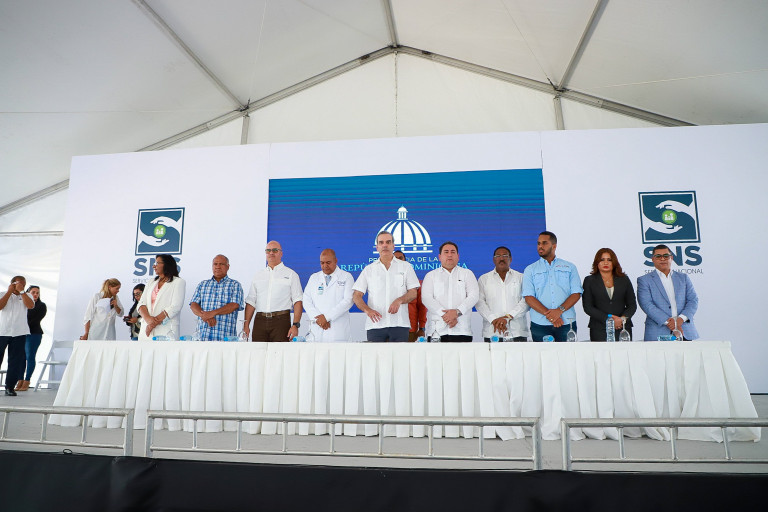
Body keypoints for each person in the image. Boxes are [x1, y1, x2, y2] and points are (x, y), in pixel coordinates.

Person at [353, 231, 419, 342]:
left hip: (399, 324)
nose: (385, 245)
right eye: (381, 242)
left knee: (399, 354)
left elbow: (413, 292)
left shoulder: (406, 267)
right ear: (377, 247)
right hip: (375, 325)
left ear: (393, 246)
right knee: (375, 354)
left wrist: (399, 300)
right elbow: (356, 295)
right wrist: (368, 310)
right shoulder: (369, 269)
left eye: (388, 242)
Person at [522, 231, 582, 342]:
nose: (540, 246)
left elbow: (576, 293)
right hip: (540, 324)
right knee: (543, 353)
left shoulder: (570, 267)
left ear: (554, 246)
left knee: (568, 352)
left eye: (544, 243)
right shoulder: (530, 269)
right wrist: (551, 316)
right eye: (538, 243)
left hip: (566, 322)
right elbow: (529, 297)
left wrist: (559, 311)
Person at [242, 241, 303, 342]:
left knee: (280, 352)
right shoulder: (258, 275)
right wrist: (246, 325)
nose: (271, 253)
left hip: (281, 321)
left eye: (275, 250)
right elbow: (251, 302)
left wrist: (295, 325)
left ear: (281, 253)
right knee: (258, 351)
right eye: (268, 250)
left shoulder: (291, 274)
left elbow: (297, 301)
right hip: (260, 321)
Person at [637, 244, 699, 341]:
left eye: (666, 256)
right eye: (658, 256)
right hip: (658, 332)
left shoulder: (683, 278)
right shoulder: (644, 280)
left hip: (684, 330)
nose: (662, 259)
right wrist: (669, 322)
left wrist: (681, 319)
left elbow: (693, 300)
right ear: (653, 259)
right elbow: (646, 304)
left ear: (671, 258)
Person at [421, 241, 479, 342]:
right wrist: (446, 315)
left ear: (458, 256)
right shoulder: (431, 275)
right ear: (439, 257)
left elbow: (474, 296)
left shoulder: (467, 274)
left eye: (453, 252)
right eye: (446, 252)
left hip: (462, 330)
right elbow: (426, 298)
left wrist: (457, 312)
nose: (449, 255)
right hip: (437, 331)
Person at [582, 248, 637, 341]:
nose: (606, 263)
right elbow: (588, 307)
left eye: (609, 260)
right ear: (597, 262)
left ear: (614, 262)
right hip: (599, 328)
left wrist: (622, 319)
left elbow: (632, 305)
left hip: (622, 327)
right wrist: (608, 319)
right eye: (602, 260)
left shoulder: (624, 279)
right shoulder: (589, 280)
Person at [476, 246, 530, 342]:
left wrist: (508, 317)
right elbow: (479, 303)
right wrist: (493, 320)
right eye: (498, 256)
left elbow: (526, 301)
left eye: (505, 255)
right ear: (493, 259)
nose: (501, 258)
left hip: (517, 332)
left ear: (511, 259)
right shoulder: (484, 279)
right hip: (492, 332)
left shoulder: (521, 278)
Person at [302, 249, 354, 342]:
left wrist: (327, 317)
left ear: (336, 261)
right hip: (317, 328)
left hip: (337, 330)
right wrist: (318, 318)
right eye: (322, 263)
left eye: (328, 262)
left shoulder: (346, 276)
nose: (325, 266)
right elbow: (306, 300)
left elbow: (348, 301)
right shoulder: (314, 277)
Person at [189, 255, 244, 341]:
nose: (218, 266)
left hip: (225, 338)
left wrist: (213, 313)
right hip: (202, 337)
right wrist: (205, 316)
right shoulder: (203, 284)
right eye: (215, 264)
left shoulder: (235, 285)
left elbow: (234, 305)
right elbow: (193, 304)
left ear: (228, 267)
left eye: (221, 264)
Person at [137, 255, 187, 341]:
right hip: (146, 332)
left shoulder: (178, 282)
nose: (154, 266)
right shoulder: (151, 282)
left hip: (166, 331)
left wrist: (153, 324)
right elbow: (141, 303)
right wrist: (148, 320)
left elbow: (175, 306)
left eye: (157, 263)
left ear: (166, 264)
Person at [0, 276, 34, 396]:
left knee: (15, 361)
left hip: (19, 333)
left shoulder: (27, 295)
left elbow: (30, 306)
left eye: (23, 284)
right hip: (2, 332)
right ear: (13, 283)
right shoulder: (3, 294)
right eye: (19, 284)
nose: (21, 286)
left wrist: (22, 291)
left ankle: (10, 387)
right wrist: (9, 291)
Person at [17, 285, 47, 391]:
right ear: (27, 293)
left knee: (30, 356)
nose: (35, 294)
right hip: (22, 333)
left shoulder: (41, 306)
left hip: (34, 334)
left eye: (37, 293)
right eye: (33, 292)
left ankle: (27, 380)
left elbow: (34, 320)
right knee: (21, 357)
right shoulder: (22, 304)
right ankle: (20, 380)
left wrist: (22, 325)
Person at [394, 251, 426, 342]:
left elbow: (422, 307)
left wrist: (422, 328)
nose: (398, 261)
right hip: (390, 328)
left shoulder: (416, 284)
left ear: (406, 261)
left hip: (410, 329)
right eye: (395, 259)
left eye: (400, 258)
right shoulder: (385, 282)